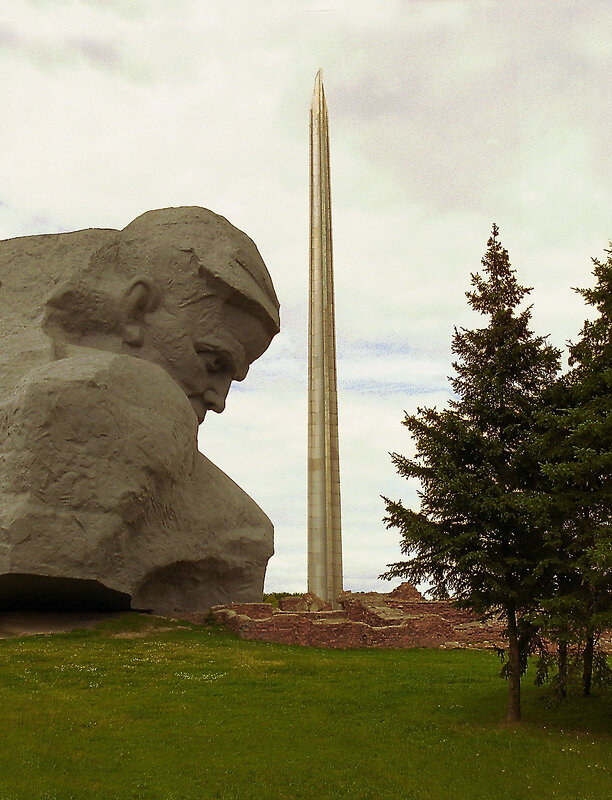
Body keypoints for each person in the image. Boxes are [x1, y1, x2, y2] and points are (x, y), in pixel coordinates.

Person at [0, 207, 279, 612]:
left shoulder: (240, 521)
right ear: (136, 310)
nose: (218, 401)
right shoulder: (107, 391)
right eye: (213, 362)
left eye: (230, 378)